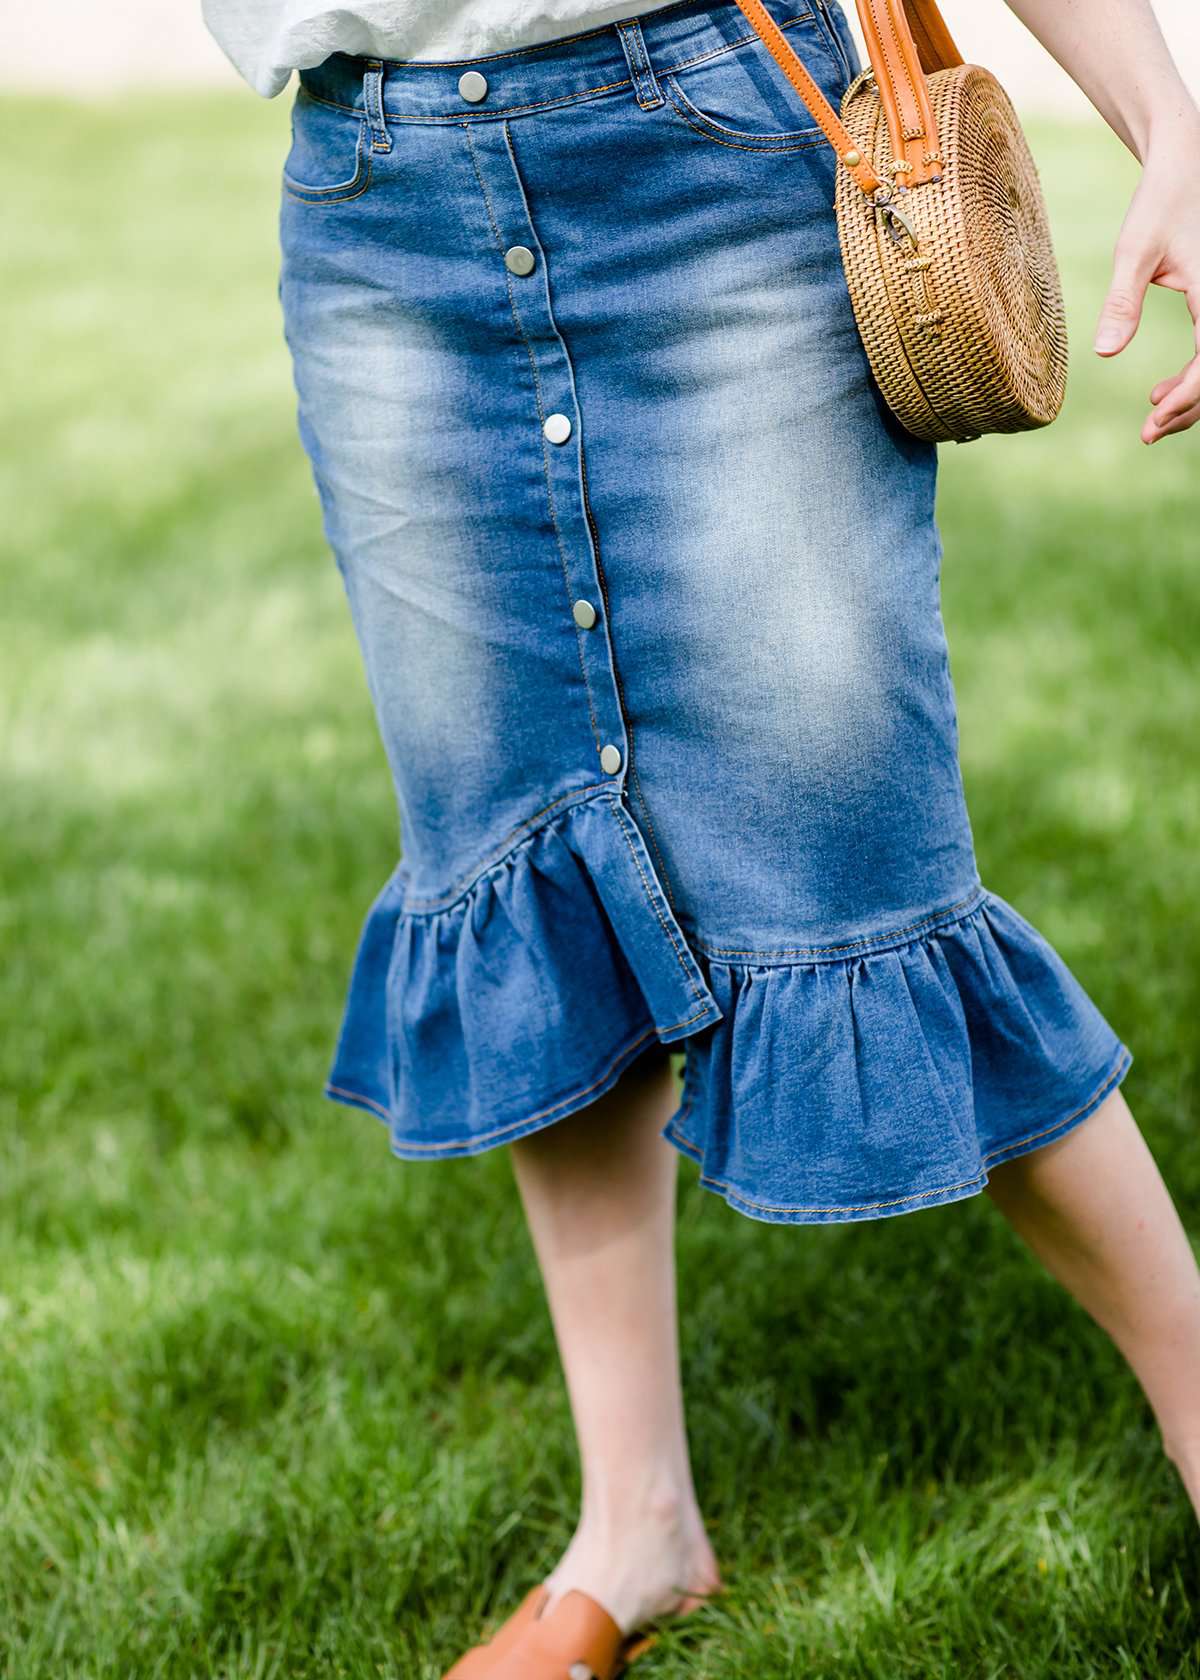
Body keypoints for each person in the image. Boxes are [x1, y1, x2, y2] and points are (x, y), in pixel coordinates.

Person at [203, 0, 1200, 1672]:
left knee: (866, 867)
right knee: (521, 861)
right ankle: (638, 1525)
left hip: (712, 156)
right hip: (380, 208)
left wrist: (1171, 121)